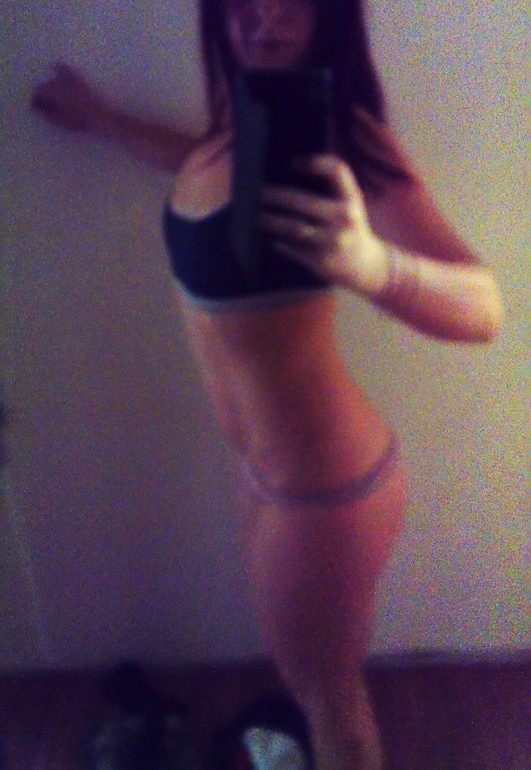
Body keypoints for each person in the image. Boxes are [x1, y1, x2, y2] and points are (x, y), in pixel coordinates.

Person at [31, 1, 505, 768]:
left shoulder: (344, 134)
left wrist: (373, 266)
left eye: (292, 2)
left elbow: (484, 310)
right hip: (273, 479)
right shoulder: (240, 122)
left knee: (328, 696)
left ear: (328, 15)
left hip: (328, 492)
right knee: (305, 675)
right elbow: (194, 168)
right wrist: (102, 120)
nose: (266, 20)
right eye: (244, 2)